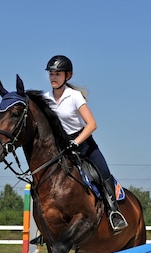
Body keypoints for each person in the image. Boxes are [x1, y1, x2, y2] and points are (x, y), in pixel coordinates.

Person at [43, 55, 128, 232]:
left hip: (83, 144)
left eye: (58, 74)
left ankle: (114, 213)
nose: (53, 77)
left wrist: (76, 142)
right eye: (51, 73)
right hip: (60, 148)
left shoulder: (74, 96)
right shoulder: (45, 99)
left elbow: (92, 124)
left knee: (103, 174)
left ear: (68, 76)